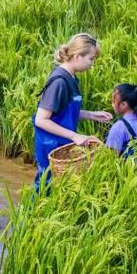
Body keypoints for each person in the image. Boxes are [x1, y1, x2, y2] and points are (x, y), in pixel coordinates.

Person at [33, 33, 112, 187]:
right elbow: (41, 119)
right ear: (77, 56)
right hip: (50, 146)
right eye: (91, 59)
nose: (92, 64)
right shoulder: (59, 82)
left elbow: (62, 112)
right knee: (45, 188)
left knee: (61, 188)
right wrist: (75, 136)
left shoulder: (72, 78)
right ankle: (30, 211)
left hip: (61, 144)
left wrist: (91, 115)